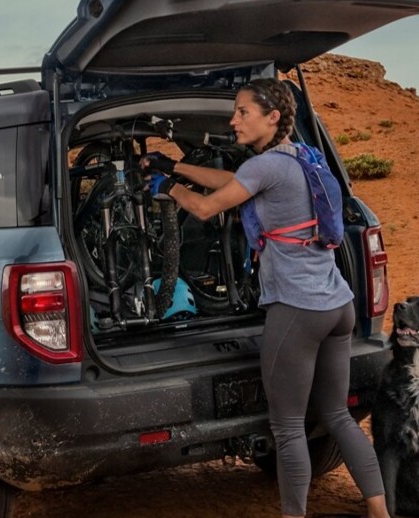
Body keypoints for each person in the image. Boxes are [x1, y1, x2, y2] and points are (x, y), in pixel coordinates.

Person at [141, 78, 390, 518]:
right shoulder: (303, 158)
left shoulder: (266, 166)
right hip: (338, 305)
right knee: (337, 415)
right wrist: (177, 168)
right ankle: (379, 511)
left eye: (243, 112)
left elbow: (205, 208)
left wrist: (167, 188)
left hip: (298, 310)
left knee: (289, 427)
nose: (233, 120)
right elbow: (238, 181)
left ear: (272, 117)